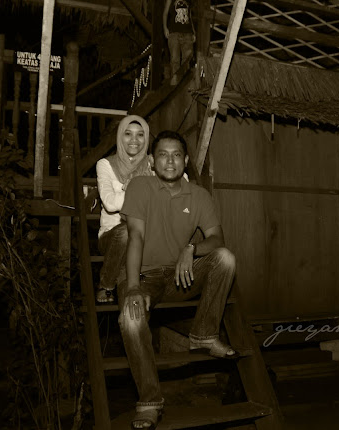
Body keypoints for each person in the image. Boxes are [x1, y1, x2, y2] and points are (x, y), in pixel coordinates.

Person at [119, 130, 237, 429]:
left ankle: (204, 334)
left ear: (185, 161)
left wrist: (192, 249)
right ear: (151, 161)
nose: (169, 161)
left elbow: (217, 238)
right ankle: (149, 402)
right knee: (131, 320)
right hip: (144, 276)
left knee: (225, 258)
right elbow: (135, 236)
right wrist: (132, 286)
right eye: (162, 154)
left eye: (176, 155)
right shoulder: (140, 186)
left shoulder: (199, 195)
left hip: (179, 277)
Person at [95, 115, 153, 303]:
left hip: (145, 235)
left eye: (140, 135)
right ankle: (106, 284)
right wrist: (137, 186)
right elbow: (110, 204)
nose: (134, 140)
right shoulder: (105, 164)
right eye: (128, 134)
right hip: (113, 236)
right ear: (120, 137)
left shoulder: (152, 163)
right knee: (127, 232)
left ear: (146, 138)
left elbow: (181, 180)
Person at [163, 0, 195, 85]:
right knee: (175, 59)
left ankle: (185, 83)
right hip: (174, 33)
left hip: (187, 33)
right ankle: (175, 83)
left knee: (187, 60)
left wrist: (193, 32)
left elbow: (190, 16)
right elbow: (165, 13)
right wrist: (165, 28)